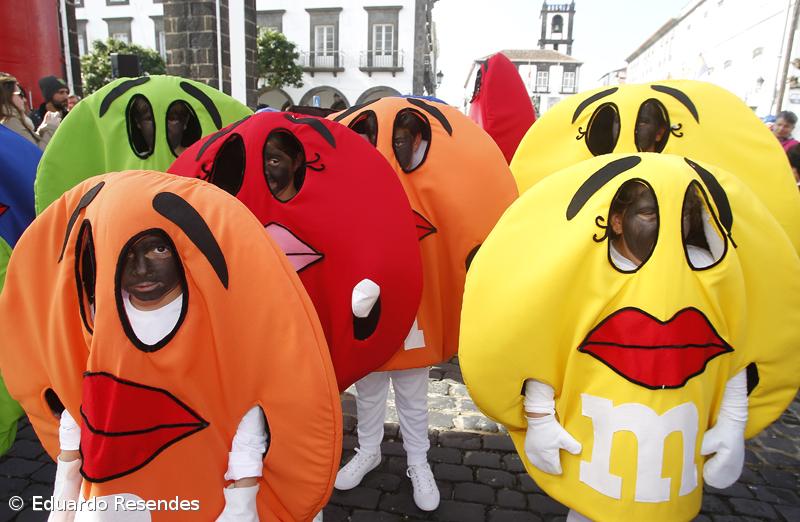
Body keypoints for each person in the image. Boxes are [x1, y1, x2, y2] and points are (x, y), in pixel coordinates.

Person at [49, 231, 268, 521]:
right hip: (112, 493)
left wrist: (241, 502)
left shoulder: (219, 319)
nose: (141, 268)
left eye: (159, 249)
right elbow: (78, 394)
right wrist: (65, 488)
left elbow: (247, 406)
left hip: (198, 488)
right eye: (126, 252)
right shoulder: (96, 315)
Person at [335, 111, 440, 513]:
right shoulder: (350, 186)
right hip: (367, 300)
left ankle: (418, 460)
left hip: (413, 302)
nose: (386, 149)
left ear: (415, 143)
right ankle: (369, 450)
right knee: (370, 389)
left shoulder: (425, 183)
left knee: (413, 391)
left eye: (399, 140)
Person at [0, 73, 58, 150]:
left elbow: (29, 147)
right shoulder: (10, 121)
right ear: (6, 95)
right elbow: (37, 155)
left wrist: (43, 129)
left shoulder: (10, 120)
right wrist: (51, 127)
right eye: (20, 94)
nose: (24, 100)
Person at [264, 130, 305, 202]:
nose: (265, 171)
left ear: (297, 161)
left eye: (274, 161)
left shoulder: (308, 209)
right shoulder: (249, 208)